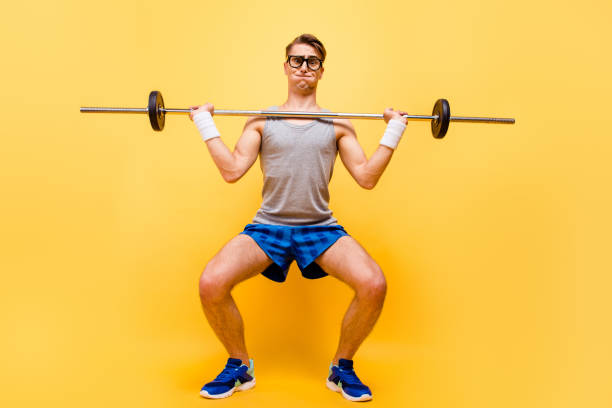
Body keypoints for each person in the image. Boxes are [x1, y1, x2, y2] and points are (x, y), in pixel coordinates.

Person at [189, 33, 408, 402]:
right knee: (211, 282)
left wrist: (394, 129)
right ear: (286, 67)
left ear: (321, 71)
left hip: (319, 228)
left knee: (374, 283)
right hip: (268, 227)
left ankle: (342, 367)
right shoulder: (261, 121)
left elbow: (367, 177)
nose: (304, 67)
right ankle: (239, 366)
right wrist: (204, 124)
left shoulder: (338, 125)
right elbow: (231, 170)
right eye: (297, 60)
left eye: (313, 62)